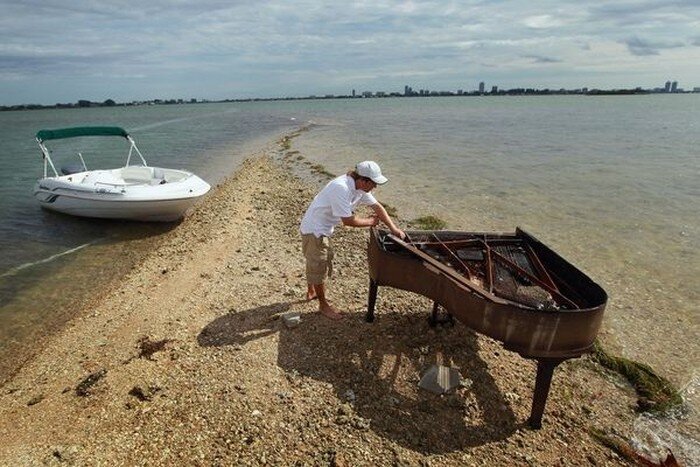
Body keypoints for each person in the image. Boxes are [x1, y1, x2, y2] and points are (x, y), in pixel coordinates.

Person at [300, 161, 406, 320]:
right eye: (374, 183)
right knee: (318, 264)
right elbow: (348, 221)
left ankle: (311, 291)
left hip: (323, 228)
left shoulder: (359, 188)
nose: (375, 187)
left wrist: (393, 228)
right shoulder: (341, 188)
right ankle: (323, 305)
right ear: (363, 180)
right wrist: (370, 222)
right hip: (315, 230)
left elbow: (377, 206)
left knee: (316, 261)